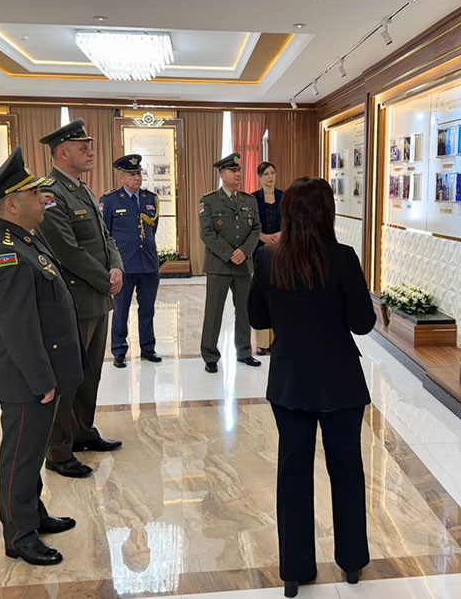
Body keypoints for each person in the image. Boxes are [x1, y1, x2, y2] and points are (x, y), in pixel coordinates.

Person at [247, 177, 375, 598]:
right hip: (340, 382)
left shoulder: (269, 259)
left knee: (293, 470)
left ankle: (295, 569)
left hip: (290, 382)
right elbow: (363, 323)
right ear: (327, 213)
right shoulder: (343, 257)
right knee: (347, 468)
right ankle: (352, 561)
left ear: (288, 213)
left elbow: (258, 318)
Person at [0, 146, 81, 566]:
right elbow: (18, 327)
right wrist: (42, 381)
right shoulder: (6, 252)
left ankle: (33, 513)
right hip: (26, 377)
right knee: (20, 458)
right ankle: (19, 535)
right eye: (35, 194)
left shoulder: (22, 239)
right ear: (13, 205)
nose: (44, 199)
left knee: (31, 453)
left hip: (38, 371)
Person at [37, 119, 125, 479]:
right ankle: (59, 451)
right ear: (62, 152)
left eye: (90, 145)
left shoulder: (84, 190)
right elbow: (67, 250)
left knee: (90, 374)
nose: (91, 152)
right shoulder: (50, 193)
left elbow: (105, 238)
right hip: (73, 300)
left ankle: (83, 432)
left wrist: (116, 267)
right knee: (68, 377)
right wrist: (105, 279)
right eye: (82, 147)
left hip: (97, 298)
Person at [198, 153, 262, 374]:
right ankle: (210, 356)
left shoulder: (249, 200)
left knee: (244, 310)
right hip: (219, 266)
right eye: (233, 171)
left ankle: (244, 351)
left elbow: (256, 229)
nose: (238, 174)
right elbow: (207, 233)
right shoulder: (209, 201)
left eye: (239, 171)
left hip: (243, 265)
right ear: (222, 174)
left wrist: (244, 251)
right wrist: (230, 254)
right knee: (213, 312)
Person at [100, 154, 163, 368]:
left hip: (148, 265)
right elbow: (105, 234)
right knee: (121, 311)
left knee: (147, 310)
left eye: (138, 173)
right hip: (124, 266)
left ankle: (148, 348)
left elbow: (152, 229)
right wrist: (111, 265)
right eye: (132, 174)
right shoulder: (110, 200)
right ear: (121, 177)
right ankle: (119, 351)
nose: (137, 178)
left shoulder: (150, 199)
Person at [253, 161, 283, 356]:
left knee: (280, 295)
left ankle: (278, 340)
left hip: (281, 251)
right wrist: (262, 236)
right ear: (259, 177)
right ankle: (263, 343)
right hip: (260, 251)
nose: (270, 177)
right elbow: (249, 225)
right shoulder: (253, 199)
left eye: (273, 173)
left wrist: (281, 234)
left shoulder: (284, 197)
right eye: (266, 174)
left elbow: (291, 220)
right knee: (263, 295)